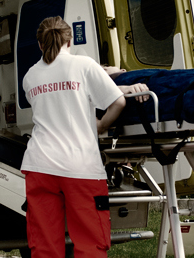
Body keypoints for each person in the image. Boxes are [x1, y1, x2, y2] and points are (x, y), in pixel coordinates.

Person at [20, 16, 146, 257]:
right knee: (90, 243)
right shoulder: (84, 65)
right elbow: (117, 102)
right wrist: (100, 125)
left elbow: (59, 97)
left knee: (44, 247)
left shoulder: (30, 77)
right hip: (80, 166)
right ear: (69, 41)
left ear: (40, 44)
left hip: (39, 166)